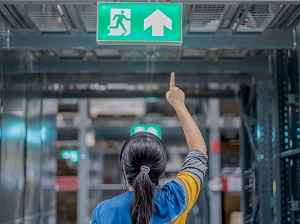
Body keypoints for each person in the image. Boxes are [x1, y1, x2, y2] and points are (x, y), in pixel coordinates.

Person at [91, 72, 208, 224]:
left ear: (124, 166)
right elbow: (199, 150)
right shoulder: (176, 199)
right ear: (161, 167)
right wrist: (178, 104)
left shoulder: (104, 212)